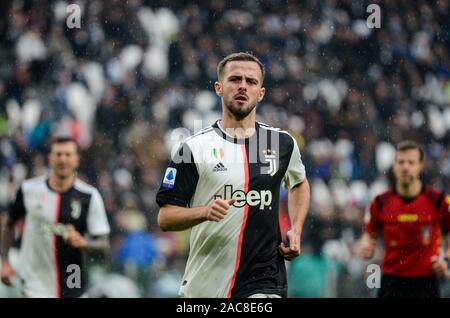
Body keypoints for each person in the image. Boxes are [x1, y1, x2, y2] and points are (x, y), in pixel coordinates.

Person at [156, 52, 310, 298]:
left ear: (261, 93)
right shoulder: (193, 148)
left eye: (251, 82)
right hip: (206, 283)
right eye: (235, 79)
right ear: (219, 87)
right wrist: (204, 212)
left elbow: (299, 183)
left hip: (265, 281)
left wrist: (297, 227)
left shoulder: (281, 144)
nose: (242, 86)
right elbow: (165, 218)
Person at [0, 136, 111, 298]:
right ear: (49, 158)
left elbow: (103, 246)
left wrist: (84, 243)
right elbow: (9, 224)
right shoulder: (28, 190)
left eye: (68, 155)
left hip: (73, 283)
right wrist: (5, 261)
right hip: (33, 285)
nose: (63, 159)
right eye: (58, 154)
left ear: (76, 160)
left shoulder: (90, 196)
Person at [359, 140, 450, 298]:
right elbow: (369, 233)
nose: (405, 167)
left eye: (411, 162)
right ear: (394, 166)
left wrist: (446, 260)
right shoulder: (380, 203)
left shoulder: (438, 201)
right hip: (391, 282)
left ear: (420, 166)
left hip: (426, 282)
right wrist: (367, 244)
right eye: (400, 162)